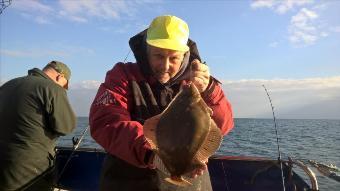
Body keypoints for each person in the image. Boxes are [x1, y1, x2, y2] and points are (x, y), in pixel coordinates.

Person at [89, 15, 234, 191]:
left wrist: (210, 90)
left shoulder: (199, 83)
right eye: (158, 55)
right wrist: (154, 154)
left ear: (185, 56)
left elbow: (222, 125)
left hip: (190, 183)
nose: (165, 65)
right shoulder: (123, 75)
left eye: (173, 58)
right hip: (129, 182)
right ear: (146, 50)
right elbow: (106, 122)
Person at [0, 61, 77, 191]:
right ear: (60, 77)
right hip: (29, 171)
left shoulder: (7, 85)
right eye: (64, 85)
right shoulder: (53, 89)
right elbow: (66, 127)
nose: (63, 89)